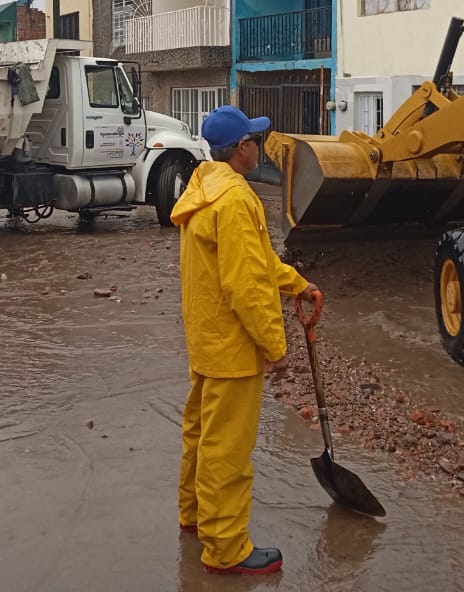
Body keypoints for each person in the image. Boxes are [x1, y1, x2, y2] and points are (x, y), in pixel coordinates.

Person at [171, 104, 318, 576]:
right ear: (242, 150)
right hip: (232, 349)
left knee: (201, 434)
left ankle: (196, 518)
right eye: (254, 140)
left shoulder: (204, 189)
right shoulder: (235, 201)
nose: (259, 146)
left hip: (206, 339)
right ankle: (227, 548)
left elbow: (256, 263)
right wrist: (275, 347)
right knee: (228, 451)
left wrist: (296, 282)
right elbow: (246, 286)